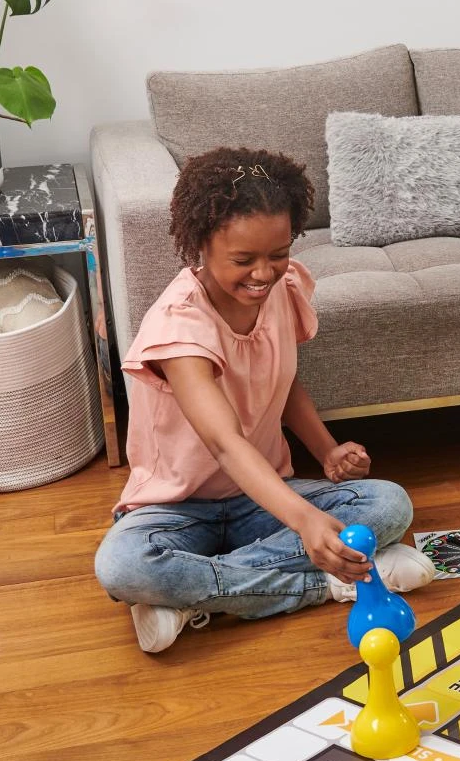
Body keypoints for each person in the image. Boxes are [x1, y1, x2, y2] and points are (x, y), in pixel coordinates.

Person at [95, 148, 435, 652]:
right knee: (124, 566)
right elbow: (224, 442)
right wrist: (305, 521)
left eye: (278, 254)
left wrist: (326, 451)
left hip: (264, 497)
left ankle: (195, 594)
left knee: (389, 504)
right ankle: (328, 583)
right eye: (243, 260)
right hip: (177, 510)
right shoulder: (179, 327)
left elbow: (281, 379)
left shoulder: (281, 289)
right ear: (201, 244)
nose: (263, 273)